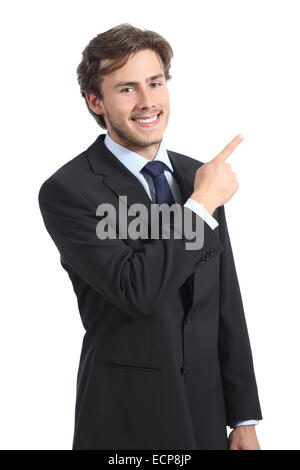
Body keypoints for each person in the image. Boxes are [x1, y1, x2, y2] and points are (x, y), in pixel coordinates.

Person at [38, 23, 262, 450]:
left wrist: (244, 417)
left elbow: (224, 302)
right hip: (126, 417)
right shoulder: (69, 190)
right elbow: (135, 289)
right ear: (95, 101)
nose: (147, 102)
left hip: (207, 412)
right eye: (126, 89)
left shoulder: (197, 175)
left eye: (155, 83)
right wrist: (198, 208)